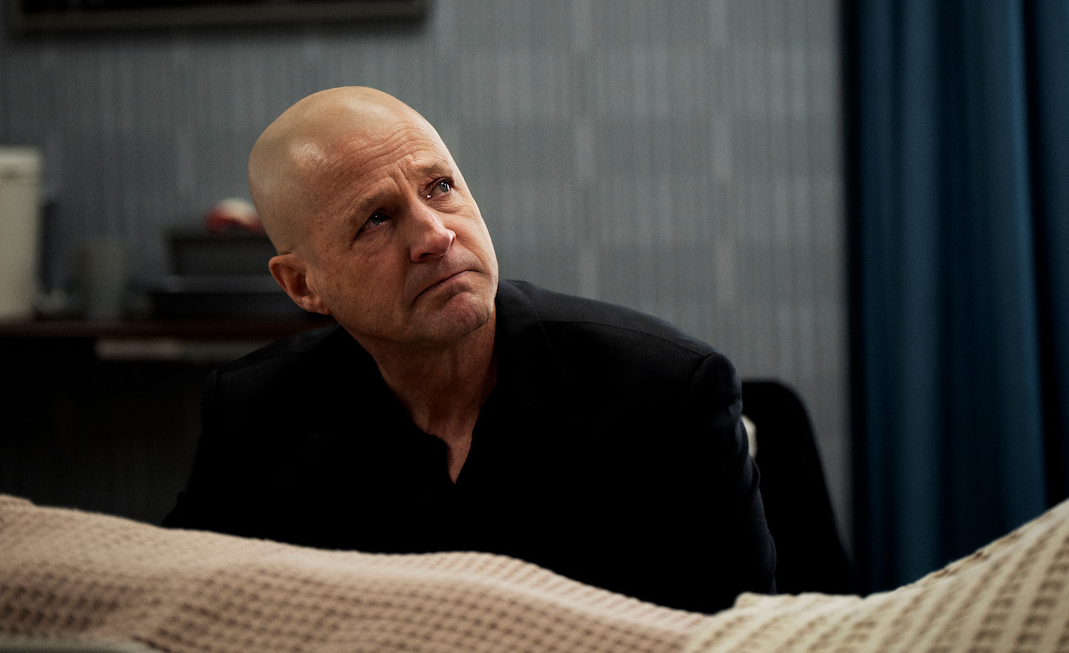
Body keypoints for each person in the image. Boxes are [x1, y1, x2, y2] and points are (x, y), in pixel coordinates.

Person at [164, 86, 776, 613]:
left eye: (440, 187)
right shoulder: (253, 415)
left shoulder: (667, 394)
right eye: (376, 219)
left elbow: (738, 640)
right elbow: (182, 620)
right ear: (303, 285)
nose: (435, 234)